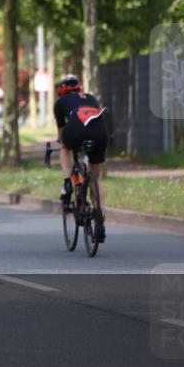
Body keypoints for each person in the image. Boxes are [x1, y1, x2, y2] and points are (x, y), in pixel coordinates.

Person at [53, 74, 107, 242]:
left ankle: (67, 182)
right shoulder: (91, 98)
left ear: (62, 91)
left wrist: (61, 140)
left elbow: (61, 133)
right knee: (95, 177)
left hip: (75, 127)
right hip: (100, 131)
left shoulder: (60, 103)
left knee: (65, 146)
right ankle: (99, 214)